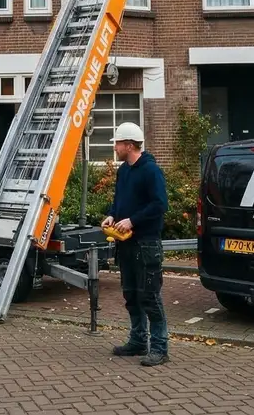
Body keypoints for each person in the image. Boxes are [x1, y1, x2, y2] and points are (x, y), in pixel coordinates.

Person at [101, 121, 169, 366]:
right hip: (127, 245)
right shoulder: (124, 171)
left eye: (117, 143)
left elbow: (160, 204)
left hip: (146, 243)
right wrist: (113, 215)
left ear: (129, 145)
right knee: (131, 295)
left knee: (150, 296)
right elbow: (120, 201)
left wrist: (132, 221)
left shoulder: (151, 171)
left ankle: (160, 348)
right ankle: (138, 341)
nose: (115, 147)